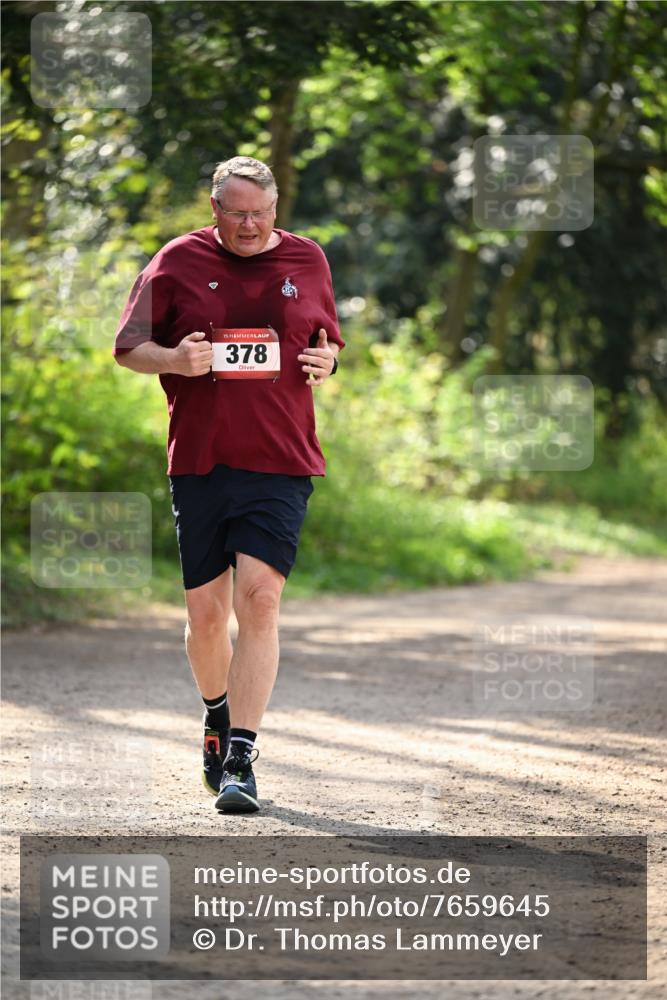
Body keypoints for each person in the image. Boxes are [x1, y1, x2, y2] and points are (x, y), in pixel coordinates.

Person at [113, 155, 343, 813]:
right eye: (237, 213)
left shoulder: (307, 259)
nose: (249, 225)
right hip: (202, 459)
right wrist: (174, 359)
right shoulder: (175, 261)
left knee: (260, 600)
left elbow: (326, 342)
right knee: (206, 614)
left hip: (281, 457)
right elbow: (128, 348)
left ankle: (242, 754)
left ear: (276, 210)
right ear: (214, 208)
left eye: (261, 214)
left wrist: (326, 360)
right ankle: (216, 715)